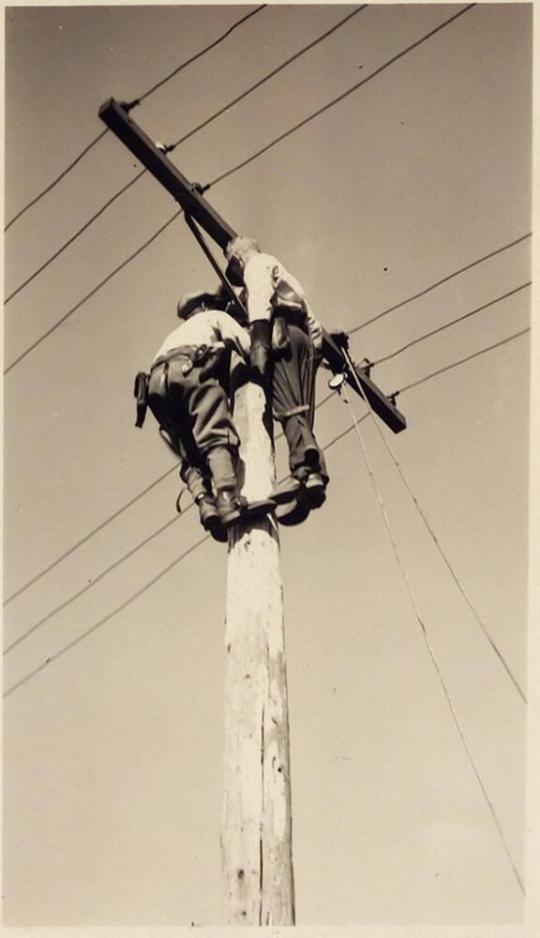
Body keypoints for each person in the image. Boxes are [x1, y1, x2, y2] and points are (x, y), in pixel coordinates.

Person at [134, 289, 273, 540]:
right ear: (207, 306)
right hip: (190, 369)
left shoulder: (175, 334)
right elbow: (250, 347)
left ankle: (205, 505)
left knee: (189, 452)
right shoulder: (215, 317)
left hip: (155, 384)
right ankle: (228, 499)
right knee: (216, 434)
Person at [223, 235, 329, 523]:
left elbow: (259, 301)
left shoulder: (255, 265)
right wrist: (314, 355)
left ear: (238, 257)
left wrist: (259, 348)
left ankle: (303, 469)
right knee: (302, 410)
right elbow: (315, 325)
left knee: (286, 406)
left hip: (279, 334)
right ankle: (309, 475)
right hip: (304, 341)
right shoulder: (289, 276)